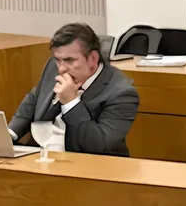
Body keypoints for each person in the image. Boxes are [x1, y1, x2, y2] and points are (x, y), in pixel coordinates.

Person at [8, 23, 138, 156]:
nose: (61, 69)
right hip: (40, 154)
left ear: (93, 58)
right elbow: (35, 98)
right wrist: (9, 134)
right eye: (58, 60)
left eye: (69, 60)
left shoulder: (122, 94)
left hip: (87, 162)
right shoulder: (54, 66)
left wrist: (71, 103)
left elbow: (99, 146)